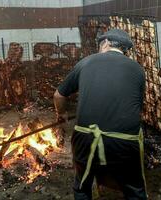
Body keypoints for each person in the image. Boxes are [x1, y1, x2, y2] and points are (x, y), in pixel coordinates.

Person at [53, 29, 147, 200]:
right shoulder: (138, 69)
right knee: (134, 189)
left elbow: (59, 95)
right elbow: (136, 107)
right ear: (124, 50)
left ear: (106, 43)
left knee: (82, 187)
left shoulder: (86, 62)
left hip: (86, 137)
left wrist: (62, 113)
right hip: (125, 141)